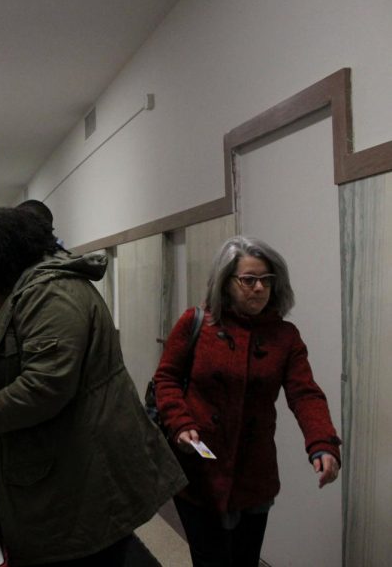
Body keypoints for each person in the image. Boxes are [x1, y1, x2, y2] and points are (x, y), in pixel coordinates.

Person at [0, 207, 186, 567]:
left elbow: (43, 387)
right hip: (62, 466)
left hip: (83, 473)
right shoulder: (30, 293)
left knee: (97, 553)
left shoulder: (52, 294)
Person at [154, 236, 341, 567]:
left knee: (244, 559)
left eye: (266, 280)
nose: (259, 288)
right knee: (210, 559)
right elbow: (166, 379)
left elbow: (305, 392)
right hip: (199, 471)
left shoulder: (285, 337)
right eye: (248, 280)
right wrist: (180, 422)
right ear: (226, 283)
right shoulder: (195, 323)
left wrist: (322, 443)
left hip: (254, 476)